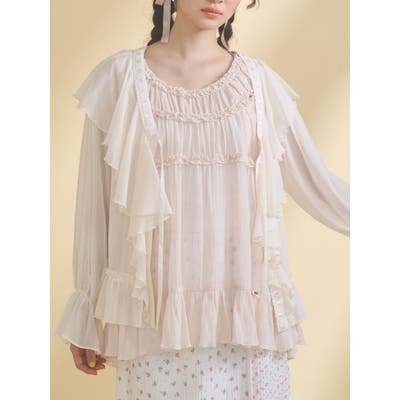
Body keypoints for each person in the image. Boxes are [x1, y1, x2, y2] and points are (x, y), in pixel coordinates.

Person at [56, 0, 350, 398]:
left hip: (248, 326)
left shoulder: (260, 84)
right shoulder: (119, 79)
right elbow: (95, 205)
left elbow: (319, 185)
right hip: (155, 329)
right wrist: (86, 311)